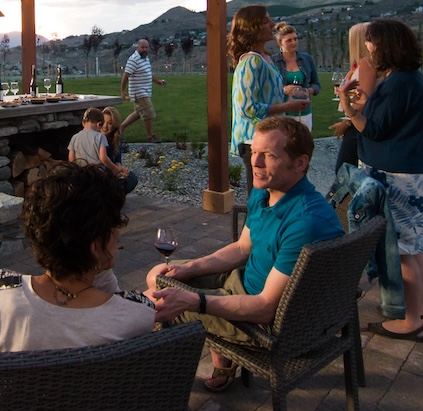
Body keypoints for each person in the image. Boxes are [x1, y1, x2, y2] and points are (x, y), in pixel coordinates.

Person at [145, 116, 343, 392]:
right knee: (158, 276)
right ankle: (223, 364)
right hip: (245, 283)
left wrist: (194, 301)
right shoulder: (266, 193)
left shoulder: (304, 222)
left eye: (269, 155)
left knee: (156, 305)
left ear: (300, 163)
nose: (255, 163)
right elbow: (242, 248)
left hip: (266, 321)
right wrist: (189, 269)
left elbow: (265, 307)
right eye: (254, 152)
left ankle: (159, 390)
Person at [0, 163, 155, 354]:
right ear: (95, 246)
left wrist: (98, 256)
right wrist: (98, 258)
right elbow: (114, 303)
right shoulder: (138, 315)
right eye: (116, 231)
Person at [339, 19, 423, 341]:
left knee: (403, 250)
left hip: (398, 180)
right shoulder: (408, 79)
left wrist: (347, 108)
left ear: (386, 45)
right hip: (410, 175)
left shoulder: (399, 83)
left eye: (372, 42)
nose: (368, 48)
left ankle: (410, 321)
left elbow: (375, 129)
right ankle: (417, 310)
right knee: (414, 249)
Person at [228, 6, 310, 191]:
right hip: (254, 142)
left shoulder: (266, 58)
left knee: (270, 195)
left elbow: (265, 94)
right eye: (266, 21)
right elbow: (247, 108)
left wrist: (287, 93)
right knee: (259, 200)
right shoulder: (251, 62)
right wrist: (287, 107)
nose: (273, 25)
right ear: (252, 28)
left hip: (267, 139)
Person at [329, 23, 376, 172]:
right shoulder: (359, 64)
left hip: (357, 124)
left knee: (344, 171)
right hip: (355, 121)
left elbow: (364, 100)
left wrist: (347, 123)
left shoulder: (366, 64)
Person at [270, 22, 320, 130]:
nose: (294, 43)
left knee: (304, 144)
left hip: (305, 111)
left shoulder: (307, 59)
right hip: (283, 113)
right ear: (280, 42)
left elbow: (316, 84)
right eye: (289, 40)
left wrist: (308, 91)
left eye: (295, 39)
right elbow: (267, 88)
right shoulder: (273, 62)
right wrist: (283, 90)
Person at [120, 39, 167, 143]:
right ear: (138, 47)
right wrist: (123, 91)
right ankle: (150, 137)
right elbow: (126, 76)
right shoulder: (134, 59)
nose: (145, 49)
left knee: (139, 112)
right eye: (143, 47)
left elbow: (148, 74)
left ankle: (121, 128)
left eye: (146, 47)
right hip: (139, 92)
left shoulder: (145, 58)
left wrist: (158, 81)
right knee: (148, 113)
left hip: (145, 91)